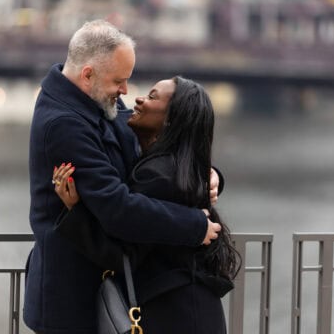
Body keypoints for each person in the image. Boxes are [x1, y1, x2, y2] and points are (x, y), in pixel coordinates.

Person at [23, 19, 222, 334]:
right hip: (73, 294)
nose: (127, 91)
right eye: (120, 81)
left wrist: (207, 175)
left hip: (109, 280)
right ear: (88, 74)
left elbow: (162, 148)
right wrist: (193, 225)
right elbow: (117, 207)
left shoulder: (98, 99)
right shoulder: (62, 123)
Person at [53, 76, 241, 334]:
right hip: (194, 309)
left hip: (175, 314)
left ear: (170, 120)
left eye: (152, 97)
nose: (138, 99)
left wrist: (75, 212)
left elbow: (123, 255)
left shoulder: (156, 175)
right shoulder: (181, 169)